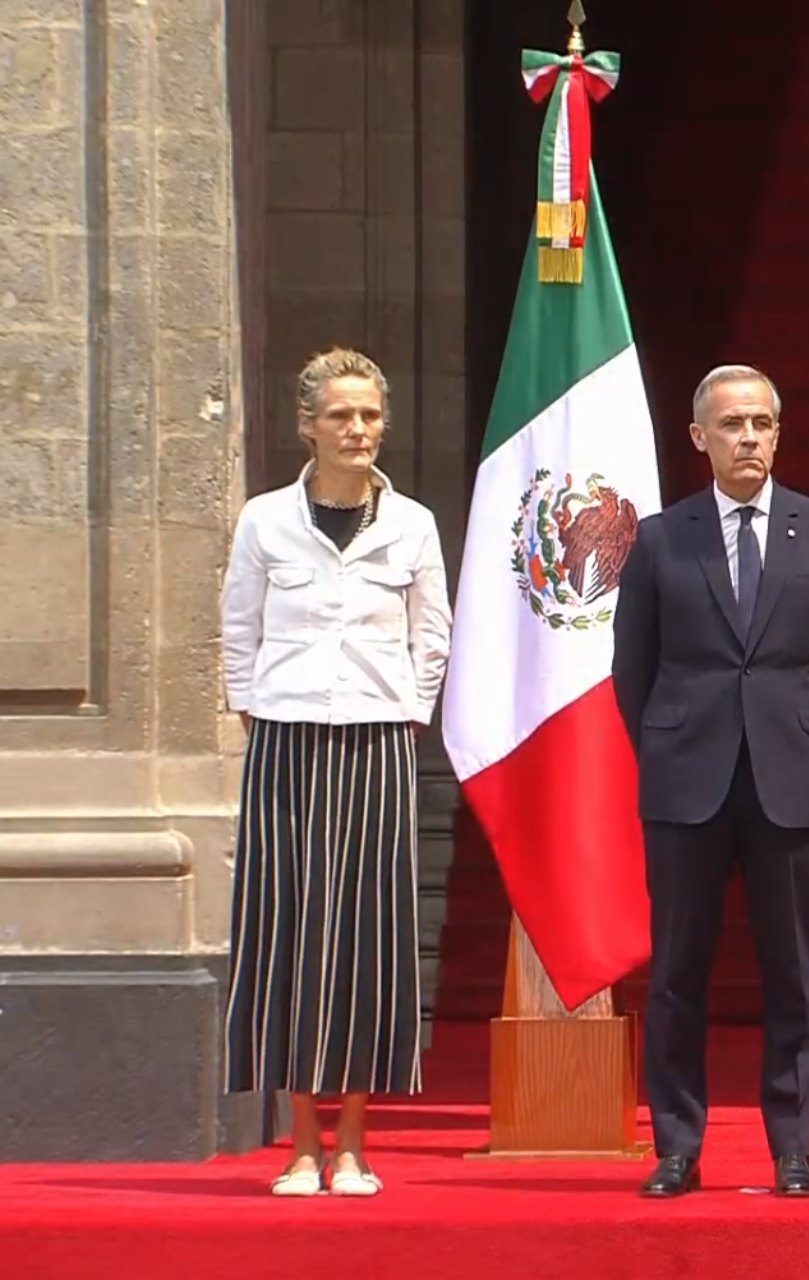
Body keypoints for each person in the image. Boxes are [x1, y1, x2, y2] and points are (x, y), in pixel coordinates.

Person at [612, 364, 809, 1199]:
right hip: (686, 780)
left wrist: (797, 730)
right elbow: (632, 667)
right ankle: (677, 1146)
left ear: (778, 433)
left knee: (793, 975)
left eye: (761, 423)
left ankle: (792, 1147)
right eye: (732, 425)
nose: (749, 437)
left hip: (788, 778)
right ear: (700, 438)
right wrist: (672, 743)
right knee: (677, 974)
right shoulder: (661, 538)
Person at [218, 348, 451, 1197]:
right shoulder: (264, 520)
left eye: (370, 415)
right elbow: (238, 628)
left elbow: (433, 632)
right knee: (285, 930)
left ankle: (353, 1141)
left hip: (376, 741)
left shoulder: (413, 524)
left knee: (366, 936)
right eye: (341, 415)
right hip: (286, 739)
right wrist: (255, 706)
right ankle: (302, 1144)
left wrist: (409, 710)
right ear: (307, 426)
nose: (359, 429)